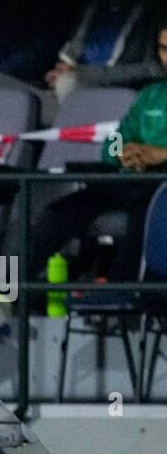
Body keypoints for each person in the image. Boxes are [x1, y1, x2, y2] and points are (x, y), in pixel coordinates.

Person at [29, 20, 167, 283]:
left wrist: (161, 154)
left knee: (145, 217)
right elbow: (113, 139)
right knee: (61, 211)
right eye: (163, 49)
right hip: (130, 180)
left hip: (161, 189)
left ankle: (120, 302)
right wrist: (121, 153)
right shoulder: (150, 95)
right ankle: (3, 294)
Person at [0, 0, 164, 126]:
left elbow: (155, 68)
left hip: (111, 99)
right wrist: (60, 69)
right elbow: (69, 56)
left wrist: (83, 74)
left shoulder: (153, 14)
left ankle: (67, 151)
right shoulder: (93, 10)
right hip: (62, 96)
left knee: (68, 82)